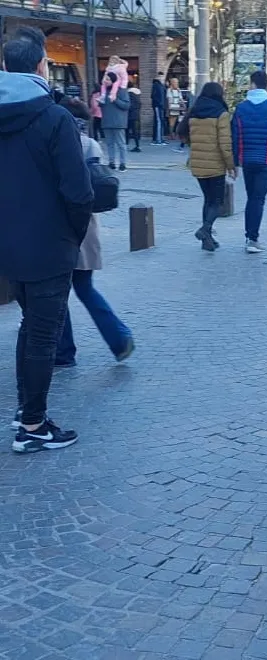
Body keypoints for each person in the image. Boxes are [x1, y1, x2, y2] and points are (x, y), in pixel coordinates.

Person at [0, 27, 94, 452]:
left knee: (30, 326)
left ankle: (26, 410)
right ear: (41, 66)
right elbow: (78, 191)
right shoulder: (55, 118)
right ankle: (33, 426)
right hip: (49, 242)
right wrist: (72, 236)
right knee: (42, 334)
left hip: (9, 243)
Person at [54, 98, 135, 367]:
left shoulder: (56, 143)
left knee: (57, 292)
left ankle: (64, 351)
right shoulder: (91, 144)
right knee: (85, 288)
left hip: (61, 227)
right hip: (87, 228)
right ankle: (119, 338)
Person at [231, 70, 267, 254]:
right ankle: (252, 238)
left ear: (252, 84)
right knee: (258, 199)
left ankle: (250, 236)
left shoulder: (241, 108)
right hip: (266, 160)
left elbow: (234, 136)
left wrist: (235, 160)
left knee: (251, 198)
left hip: (247, 159)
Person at [180, 81, 235, 252]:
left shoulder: (194, 112)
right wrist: (231, 165)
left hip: (198, 164)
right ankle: (205, 230)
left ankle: (207, 240)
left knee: (207, 199)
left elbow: (183, 133)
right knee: (217, 202)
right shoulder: (221, 113)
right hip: (216, 164)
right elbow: (225, 143)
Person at [98, 71, 131, 171]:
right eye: (105, 79)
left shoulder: (121, 91)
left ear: (113, 80)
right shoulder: (103, 91)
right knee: (109, 144)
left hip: (118, 122)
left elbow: (126, 105)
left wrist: (115, 99)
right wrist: (100, 102)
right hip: (107, 121)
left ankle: (122, 163)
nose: (106, 81)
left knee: (121, 144)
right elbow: (103, 106)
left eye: (108, 79)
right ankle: (111, 162)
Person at [151, 71, 167, 145]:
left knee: (160, 122)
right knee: (159, 122)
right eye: (160, 76)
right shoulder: (156, 85)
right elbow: (153, 96)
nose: (162, 78)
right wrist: (159, 104)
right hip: (158, 106)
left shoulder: (161, 85)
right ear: (157, 76)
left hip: (161, 106)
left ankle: (159, 138)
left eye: (162, 76)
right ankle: (158, 140)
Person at [126, 82, 141, 152]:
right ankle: (137, 145)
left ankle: (126, 145)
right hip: (137, 114)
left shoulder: (129, 94)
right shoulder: (138, 94)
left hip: (130, 115)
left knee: (127, 130)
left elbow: (129, 105)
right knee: (135, 131)